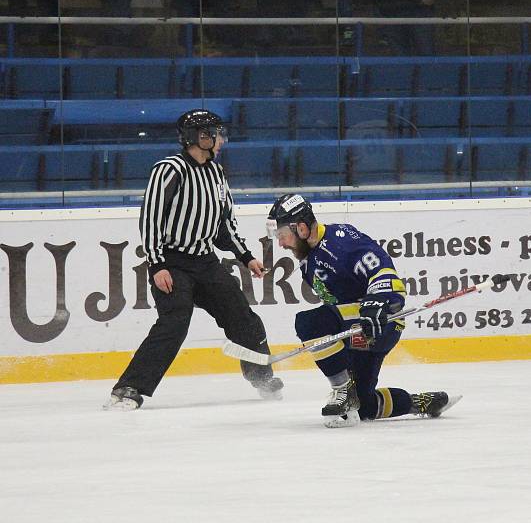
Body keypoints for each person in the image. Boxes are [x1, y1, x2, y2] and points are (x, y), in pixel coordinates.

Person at [104, 109, 283, 410]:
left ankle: (261, 377)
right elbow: (151, 219)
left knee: (242, 317)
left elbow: (224, 224)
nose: (221, 139)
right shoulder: (169, 170)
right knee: (174, 323)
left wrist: (245, 256)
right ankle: (129, 388)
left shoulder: (216, 172)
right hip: (172, 263)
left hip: (205, 262)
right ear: (199, 137)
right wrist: (157, 265)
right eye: (215, 133)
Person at [267, 193, 460, 427]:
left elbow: (383, 269)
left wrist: (377, 300)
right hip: (357, 330)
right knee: (365, 405)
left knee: (309, 323)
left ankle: (342, 390)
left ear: (302, 228)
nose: (281, 243)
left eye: (283, 236)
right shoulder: (309, 257)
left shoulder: (342, 241)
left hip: (381, 322)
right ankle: (420, 402)